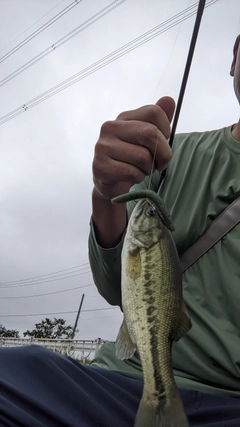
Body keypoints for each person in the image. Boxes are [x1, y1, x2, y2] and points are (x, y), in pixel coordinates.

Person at [0, 36, 239, 427]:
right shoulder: (168, 156)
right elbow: (116, 286)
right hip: (116, 381)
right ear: (234, 57)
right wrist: (106, 194)